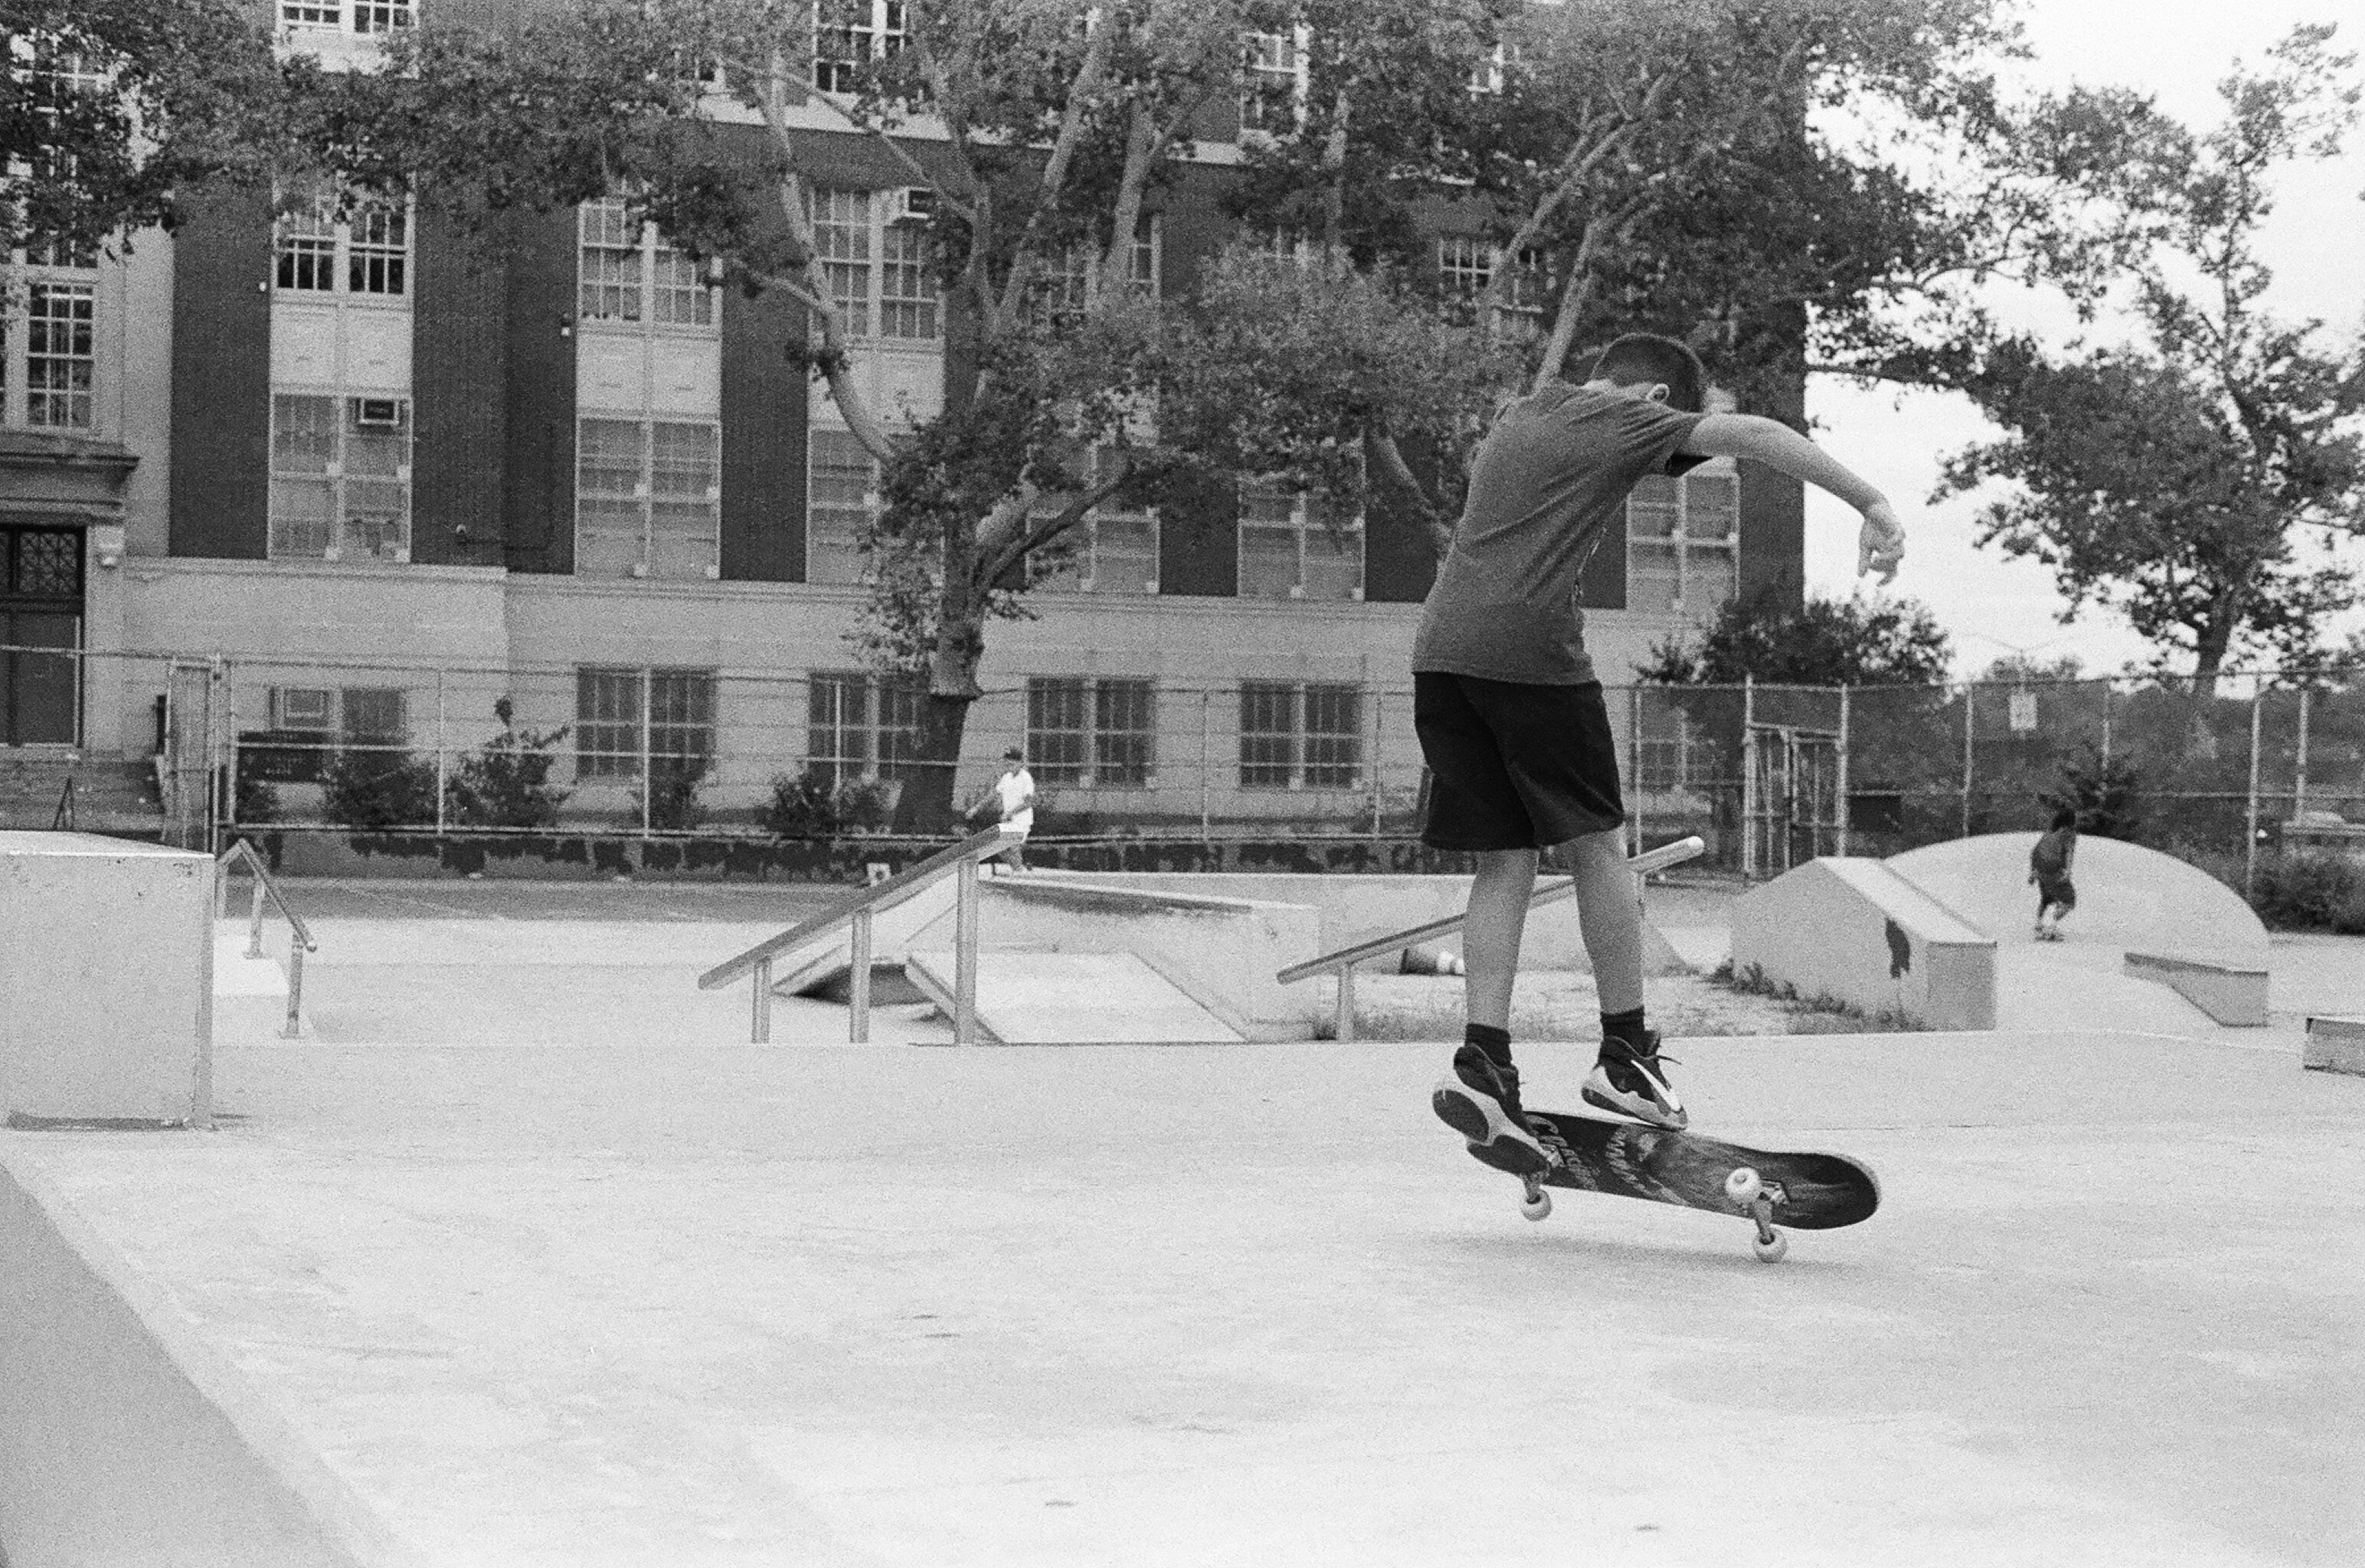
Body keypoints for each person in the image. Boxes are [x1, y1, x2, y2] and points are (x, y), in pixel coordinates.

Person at [1421, 332, 1907, 1171]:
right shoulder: (1621, 416)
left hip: (1441, 656)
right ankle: (1624, 1056)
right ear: (1651, 398)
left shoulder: (1522, 412)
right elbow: (1754, 435)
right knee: (1598, 847)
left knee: (1503, 862)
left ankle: (1484, 1063)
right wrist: (1873, 503)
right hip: (1530, 659)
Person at [968, 746, 1035, 871]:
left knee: (1013, 845)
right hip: (1008, 820)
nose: (1009, 765)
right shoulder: (1006, 778)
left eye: (1012, 762)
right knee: (1001, 849)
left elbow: (1028, 802)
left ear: (1020, 763)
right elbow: (993, 795)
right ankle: (1019, 869)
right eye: (1007, 762)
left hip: (1022, 820)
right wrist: (976, 808)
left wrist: (1010, 813)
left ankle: (1020, 870)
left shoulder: (1026, 778)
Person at [2029, 807, 2079, 941]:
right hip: (2054, 868)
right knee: (2069, 900)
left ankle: (2039, 924)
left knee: (2047, 897)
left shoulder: (2050, 831)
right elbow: (2069, 853)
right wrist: (2068, 871)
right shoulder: (2069, 834)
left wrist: (2033, 871)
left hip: (2040, 867)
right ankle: (2052, 926)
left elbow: (2036, 850)